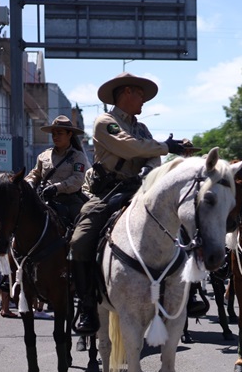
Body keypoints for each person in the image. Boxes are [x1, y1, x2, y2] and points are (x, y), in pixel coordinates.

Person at [69, 72, 188, 335]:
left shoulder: (142, 127)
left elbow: (150, 155)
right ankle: (87, 305)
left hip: (140, 190)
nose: (143, 99)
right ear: (125, 93)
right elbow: (130, 147)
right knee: (80, 241)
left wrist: (149, 169)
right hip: (109, 192)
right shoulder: (105, 122)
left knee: (182, 227)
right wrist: (166, 146)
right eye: (140, 93)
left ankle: (187, 293)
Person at [25, 115, 90, 227]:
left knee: (82, 227)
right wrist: (30, 183)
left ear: (69, 134)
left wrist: (56, 188)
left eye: (59, 133)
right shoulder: (43, 155)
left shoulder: (78, 156)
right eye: (53, 134)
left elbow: (77, 180)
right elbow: (35, 174)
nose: (55, 137)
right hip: (43, 199)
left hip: (69, 201)